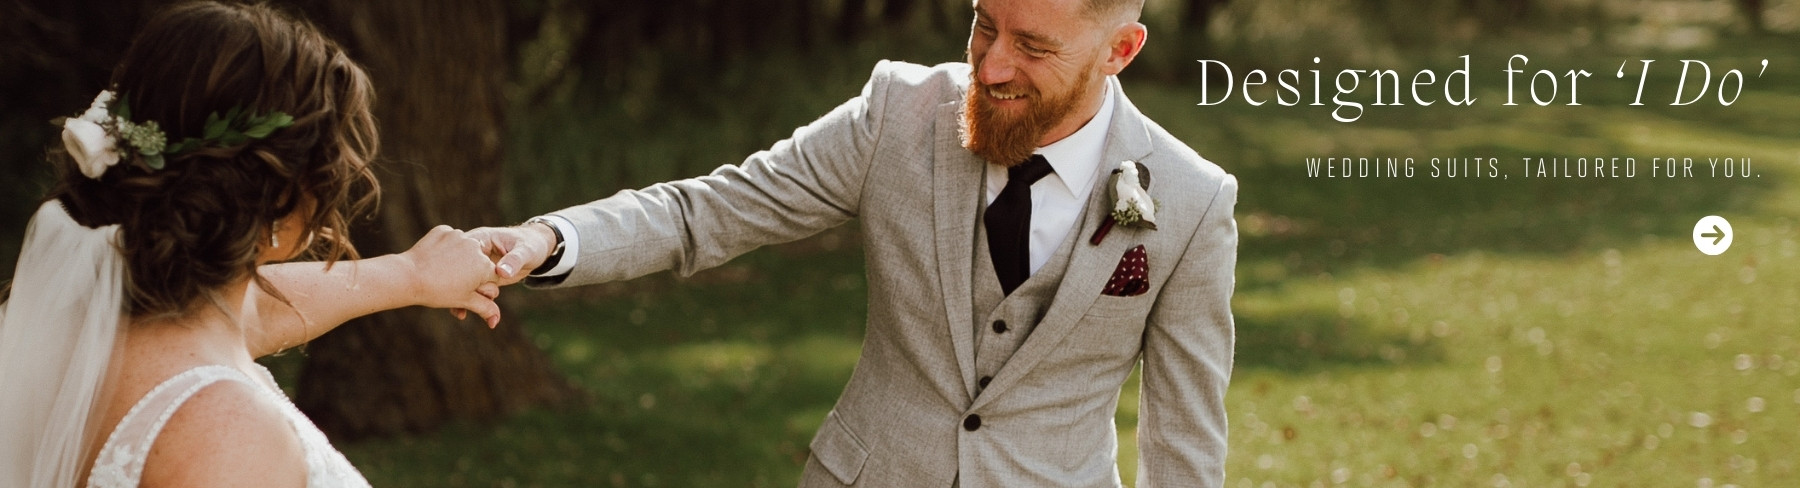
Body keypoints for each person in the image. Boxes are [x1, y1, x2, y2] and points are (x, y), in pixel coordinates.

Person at [477, 0, 1237, 486]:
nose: (992, 64)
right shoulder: (898, 115)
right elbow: (704, 213)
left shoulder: (1193, 201)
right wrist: (549, 239)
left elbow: (1184, 444)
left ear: (1120, 50)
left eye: (1033, 47)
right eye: (982, 25)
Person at [0, 2, 502, 487]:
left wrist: (414, 273)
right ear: (281, 193)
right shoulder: (226, 433)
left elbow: (254, 312)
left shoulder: (77, 330)